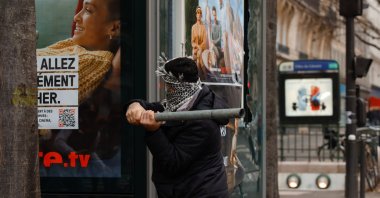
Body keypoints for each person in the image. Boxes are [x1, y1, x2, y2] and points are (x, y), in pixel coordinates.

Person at [37, 0, 121, 177]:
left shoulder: (94, 62)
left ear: (113, 28)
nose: (76, 17)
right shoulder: (69, 50)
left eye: (88, 10)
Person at [125, 57, 229, 197]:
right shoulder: (185, 101)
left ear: (179, 87)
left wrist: (154, 131)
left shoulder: (202, 121)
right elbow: (157, 107)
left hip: (200, 192)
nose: (165, 89)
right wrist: (135, 105)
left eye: (169, 85)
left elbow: (173, 162)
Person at [191, 6, 208, 79]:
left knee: (198, 58)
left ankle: (199, 77)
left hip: (202, 49)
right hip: (196, 49)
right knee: (198, 54)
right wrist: (198, 47)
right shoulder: (193, 27)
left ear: (201, 15)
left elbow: (204, 41)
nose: (199, 14)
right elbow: (192, 42)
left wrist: (200, 48)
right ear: (196, 15)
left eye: (200, 13)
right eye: (198, 13)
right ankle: (205, 74)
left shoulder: (204, 27)